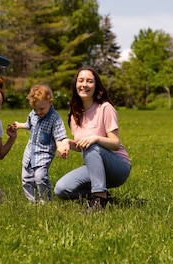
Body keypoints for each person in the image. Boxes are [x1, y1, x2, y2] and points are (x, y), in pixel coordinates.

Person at [54, 66, 131, 212]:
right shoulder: (74, 114)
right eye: (81, 80)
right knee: (61, 189)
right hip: (95, 167)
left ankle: (99, 199)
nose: (84, 84)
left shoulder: (105, 108)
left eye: (89, 81)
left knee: (92, 145)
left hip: (118, 166)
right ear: (75, 84)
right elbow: (82, 145)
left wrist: (95, 138)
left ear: (96, 86)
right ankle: (101, 193)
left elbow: (115, 143)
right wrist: (68, 143)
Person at [11, 84, 69, 203]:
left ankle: (45, 202)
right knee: (26, 179)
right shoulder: (33, 113)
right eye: (36, 109)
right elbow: (29, 124)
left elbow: (60, 136)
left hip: (44, 154)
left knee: (40, 177)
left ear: (50, 101)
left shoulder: (55, 118)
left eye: (41, 109)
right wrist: (20, 125)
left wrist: (61, 148)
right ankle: (31, 201)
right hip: (29, 153)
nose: (38, 112)